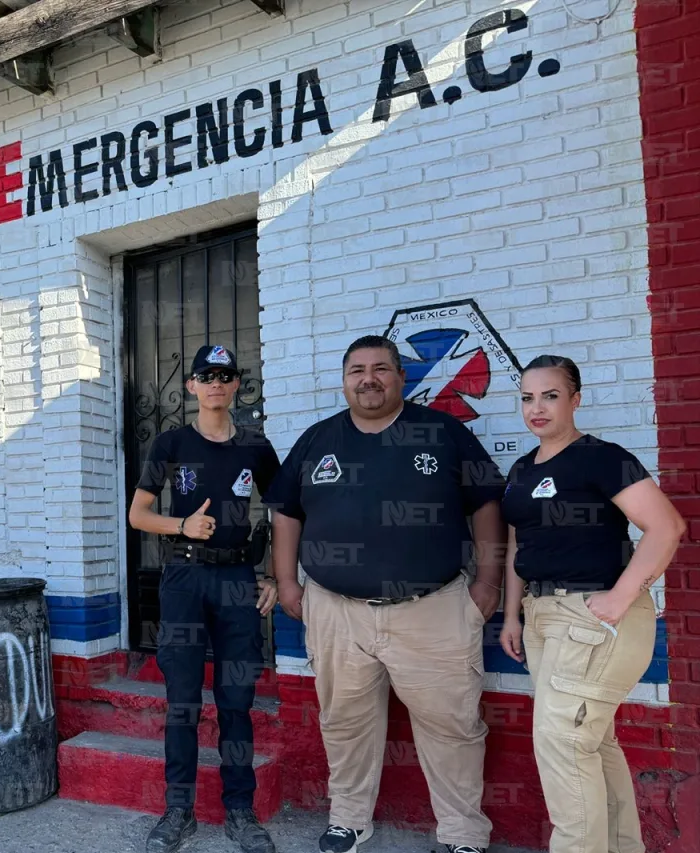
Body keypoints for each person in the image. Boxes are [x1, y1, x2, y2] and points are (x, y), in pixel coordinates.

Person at [257, 334, 504, 853]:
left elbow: (486, 504)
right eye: (357, 370)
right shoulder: (319, 439)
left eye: (381, 369)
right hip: (336, 611)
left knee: (452, 727)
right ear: (345, 380)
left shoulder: (443, 432)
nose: (368, 378)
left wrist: (487, 581)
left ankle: (463, 835)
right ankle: (348, 820)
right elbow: (285, 510)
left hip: (433, 610)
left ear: (400, 376)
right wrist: (286, 582)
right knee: (344, 722)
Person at [497, 355, 684, 853]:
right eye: (527, 398)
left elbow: (667, 527)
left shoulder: (603, 457)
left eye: (550, 396)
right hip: (543, 617)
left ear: (575, 400)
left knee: (562, 747)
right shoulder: (521, 466)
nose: (537, 408)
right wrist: (513, 614)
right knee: (591, 745)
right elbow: (520, 542)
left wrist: (621, 597)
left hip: (593, 616)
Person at [129, 343, 281, 853]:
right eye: (205, 376)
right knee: (182, 704)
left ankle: (240, 810)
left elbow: (285, 514)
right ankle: (179, 811)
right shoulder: (170, 444)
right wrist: (183, 525)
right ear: (191, 386)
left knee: (236, 701)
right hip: (184, 581)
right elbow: (139, 515)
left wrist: (276, 578)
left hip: (238, 580)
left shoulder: (257, 448)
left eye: (225, 375)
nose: (215, 383)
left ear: (237, 384)